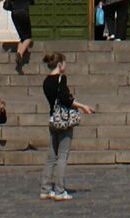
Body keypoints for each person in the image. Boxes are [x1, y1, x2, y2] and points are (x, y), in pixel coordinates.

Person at [40, 52, 94, 201]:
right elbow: (66, 99)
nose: (66, 65)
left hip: (52, 119)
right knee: (62, 156)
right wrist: (83, 106)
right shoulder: (60, 79)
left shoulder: (46, 81)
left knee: (51, 156)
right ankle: (59, 190)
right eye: (64, 62)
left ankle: (45, 189)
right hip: (63, 121)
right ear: (59, 64)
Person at [3, 0, 36, 73]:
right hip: (24, 12)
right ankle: (20, 53)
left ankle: (18, 53)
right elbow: (32, 1)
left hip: (15, 13)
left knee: (22, 36)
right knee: (28, 37)